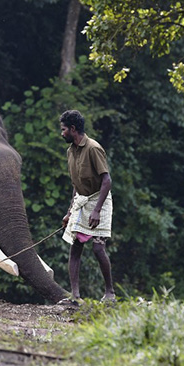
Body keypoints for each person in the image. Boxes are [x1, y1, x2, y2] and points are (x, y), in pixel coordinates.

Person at [58, 109, 115, 304]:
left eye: (64, 129)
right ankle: (75, 296)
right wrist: (69, 212)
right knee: (76, 247)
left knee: (98, 248)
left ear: (73, 129)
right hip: (82, 201)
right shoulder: (70, 151)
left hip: (100, 200)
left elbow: (107, 181)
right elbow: (76, 185)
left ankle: (110, 293)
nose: (62, 133)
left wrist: (97, 210)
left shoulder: (93, 148)